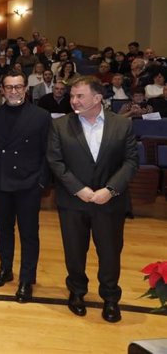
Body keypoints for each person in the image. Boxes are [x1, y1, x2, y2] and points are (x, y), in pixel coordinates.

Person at [47, 75, 138, 323]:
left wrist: (110, 190)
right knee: (74, 252)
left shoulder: (122, 125)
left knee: (109, 253)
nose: (73, 100)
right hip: (73, 202)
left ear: (97, 98)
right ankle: (77, 292)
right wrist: (79, 189)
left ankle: (110, 298)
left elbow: (131, 162)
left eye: (80, 96)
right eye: (72, 96)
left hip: (110, 202)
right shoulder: (60, 125)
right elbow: (55, 162)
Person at [0, 71, 51, 303]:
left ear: (26, 89)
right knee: (4, 231)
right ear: (2, 90)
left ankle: (26, 278)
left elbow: (48, 153)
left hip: (28, 184)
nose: (14, 91)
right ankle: (6, 269)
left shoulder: (41, 116)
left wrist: (41, 182)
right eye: (9, 87)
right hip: (0, 183)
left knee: (29, 234)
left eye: (18, 87)